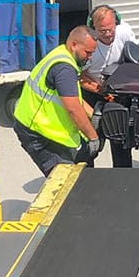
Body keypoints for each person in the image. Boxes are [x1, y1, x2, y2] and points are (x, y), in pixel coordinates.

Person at [11, 26, 103, 177]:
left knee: (81, 167)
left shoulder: (63, 54)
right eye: (88, 52)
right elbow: (73, 109)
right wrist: (93, 137)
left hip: (44, 128)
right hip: (36, 133)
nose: (90, 57)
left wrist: (94, 116)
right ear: (74, 45)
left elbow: (75, 99)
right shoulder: (64, 69)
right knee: (64, 181)